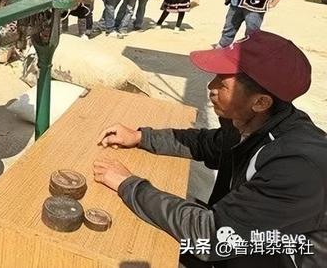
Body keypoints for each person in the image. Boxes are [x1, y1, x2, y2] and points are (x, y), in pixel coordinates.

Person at [93, 30, 326, 267]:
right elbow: (208, 144)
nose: (211, 87)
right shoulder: (254, 121)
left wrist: (127, 183)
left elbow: (211, 234)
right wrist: (141, 136)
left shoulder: (296, 166)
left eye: (222, 83)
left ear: (260, 102)